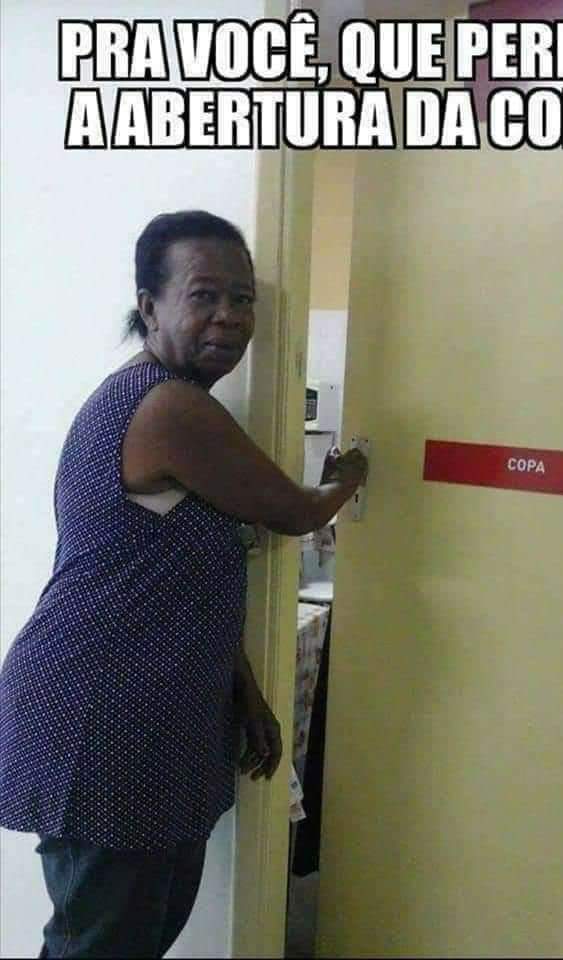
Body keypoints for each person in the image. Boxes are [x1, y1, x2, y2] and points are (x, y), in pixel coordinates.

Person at [0, 210, 368, 958]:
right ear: (150, 307)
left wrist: (244, 691)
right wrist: (350, 474)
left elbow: (178, 579)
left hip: (154, 714)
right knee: (100, 944)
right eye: (204, 295)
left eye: (242, 298)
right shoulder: (168, 406)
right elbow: (295, 513)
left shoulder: (164, 400)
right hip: (101, 716)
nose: (229, 316)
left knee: (134, 935)